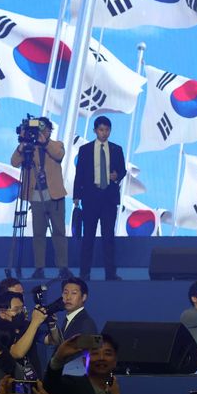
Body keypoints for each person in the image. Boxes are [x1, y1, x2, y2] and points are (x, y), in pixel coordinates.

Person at [11, 117, 72, 280]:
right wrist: (22, 145)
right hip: (36, 196)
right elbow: (14, 162)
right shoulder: (29, 148)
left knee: (59, 232)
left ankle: (63, 267)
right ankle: (39, 268)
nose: (42, 132)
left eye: (45, 129)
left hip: (55, 195)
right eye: (39, 130)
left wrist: (45, 142)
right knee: (38, 234)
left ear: (50, 131)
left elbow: (59, 154)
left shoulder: (56, 144)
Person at [73, 115, 127, 281]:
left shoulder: (117, 149)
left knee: (108, 237)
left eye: (107, 130)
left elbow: (123, 170)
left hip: (109, 199)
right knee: (88, 237)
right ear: (95, 130)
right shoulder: (85, 150)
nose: (104, 133)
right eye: (101, 130)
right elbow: (79, 173)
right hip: (90, 198)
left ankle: (110, 273)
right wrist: (76, 195)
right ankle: (84, 273)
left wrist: (117, 176)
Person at [44, 334, 121, 394]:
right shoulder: (72, 385)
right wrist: (58, 358)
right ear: (84, 361)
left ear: (115, 361)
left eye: (107, 354)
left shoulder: (113, 391)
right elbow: (51, 385)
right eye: (95, 353)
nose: (101, 358)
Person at [0, 291, 47, 378]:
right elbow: (17, 353)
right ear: (2, 313)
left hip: (34, 380)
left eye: (22, 308)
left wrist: (52, 325)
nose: (21, 312)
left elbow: (52, 340)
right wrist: (35, 322)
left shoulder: (26, 326)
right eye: (16, 310)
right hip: (12, 381)